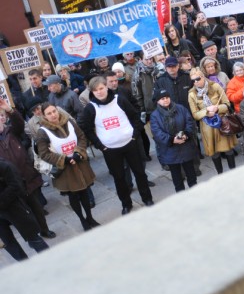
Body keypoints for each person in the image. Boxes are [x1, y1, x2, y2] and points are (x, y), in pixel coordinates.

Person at [79, 76, 154, 215]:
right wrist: (99, 145)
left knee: (139, 172)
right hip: (110, 149)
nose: (99, 92)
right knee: (119, 178)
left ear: (106, 87)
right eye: (95, 90)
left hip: (129, 144)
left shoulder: (120, 99)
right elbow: (85, 128)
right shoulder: (91, 108)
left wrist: (135, 135)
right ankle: (126, 204)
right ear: (92, 92)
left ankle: (147, 198)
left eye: (101, 88)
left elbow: (134, 116)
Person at [36, 102, 100, 231]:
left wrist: (78, 152)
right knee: (74, 196)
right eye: (49, 113)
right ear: (44, 116)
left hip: (79, 162)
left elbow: (81, 136)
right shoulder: (42, 132)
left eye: (54, 111)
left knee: (85, 192)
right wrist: (64, 159)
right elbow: (44, 153)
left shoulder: (69, 122)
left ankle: (89, 217)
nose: (53, 115)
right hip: (64, 169)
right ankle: (82, 220)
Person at [0, 97, 55, 239]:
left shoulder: (11, 131)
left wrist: (10, 110)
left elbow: (19, 123)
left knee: (37, 207)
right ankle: (33, 234)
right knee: (23, 212)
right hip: (10, 183)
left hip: (27, 176)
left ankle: (44, 229)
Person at [187, 67, 236, 174]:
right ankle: (220, 174)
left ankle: (234, 174)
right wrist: (206, 111)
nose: (196, 82)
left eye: (198, 79)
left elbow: (227, 104)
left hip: (222, 123)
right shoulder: (191, 94)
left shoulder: (215, 86)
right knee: (214, 153)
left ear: (203, 77)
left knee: (228, 150)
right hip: (207, 126)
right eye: (193, 80)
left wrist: (217, 108)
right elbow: (195, 114)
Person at [0, 159, 49, 262]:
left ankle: (50, 261)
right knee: (8, 243)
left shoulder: (4, 165)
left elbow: (16, 186)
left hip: (14, 208)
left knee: (33, 238)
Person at [150, 89, 197, 192]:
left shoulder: (181, 108)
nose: (165, 100)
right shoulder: (154, 116)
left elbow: (190, 122)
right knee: (177, 178)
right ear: (158, 101)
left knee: (191, 175)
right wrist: (172, 140)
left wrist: (186, 134)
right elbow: (157, 133)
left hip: (186, 147)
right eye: (162, 98)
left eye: (167, 97)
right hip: (170, 150)